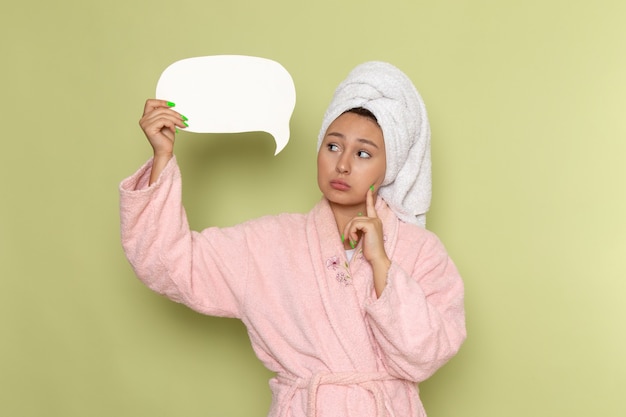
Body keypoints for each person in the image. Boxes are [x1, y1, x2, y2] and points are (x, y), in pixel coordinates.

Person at [119, 61, 466, 417]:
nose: (343, 164)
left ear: (390, 166)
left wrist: (381, 264)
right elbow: (170, 263)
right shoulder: (269, 243)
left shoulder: (421, 251)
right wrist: (162, 157)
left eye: (363, 153)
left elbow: (428, 354)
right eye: (333, 146)